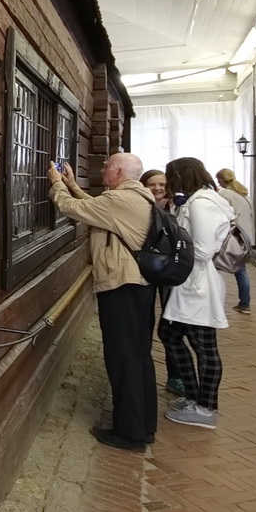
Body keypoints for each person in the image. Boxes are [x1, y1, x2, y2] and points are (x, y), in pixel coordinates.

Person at [49, 153, 157, 452]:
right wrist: (72, 184)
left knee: (123, 359)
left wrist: (57, 185)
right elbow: (96, 209)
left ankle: (129, 433)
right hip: (138, 286)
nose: (103, 169)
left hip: (122, 286)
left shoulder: (121, 200)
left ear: (119, 171)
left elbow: (71, 208)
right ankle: (143, 425)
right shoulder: (134, 197)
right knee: (138, 357)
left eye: (107, 165)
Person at [160, 157, 233, 430]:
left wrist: (173, 247)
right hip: (189, 282)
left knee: (205, 347)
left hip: (198, 284)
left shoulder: (202, 204)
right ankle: (193, 396)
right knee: (170, 334)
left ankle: (206, 408)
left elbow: (202, 249)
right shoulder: (194, 200)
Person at [142, 168, 185, 398]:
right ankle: (143, 369)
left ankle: (175, 375)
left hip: (169, 270)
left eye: (161, 184)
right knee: (143, 320)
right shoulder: (139, 206)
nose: (157, 189)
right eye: (152, 185)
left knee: (171, 322)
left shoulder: (178, 207)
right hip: (145, 268)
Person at [216, 168, 255, 314]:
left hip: (232, 237)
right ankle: (244, 303)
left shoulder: (225, 194)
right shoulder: (244, 195)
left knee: (215, 266)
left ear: (220, 180)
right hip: (246, 237)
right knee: (241, 270)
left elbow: (220, 213)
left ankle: (216, 301)